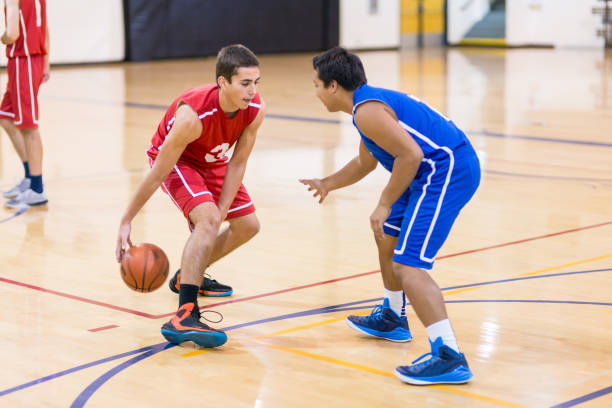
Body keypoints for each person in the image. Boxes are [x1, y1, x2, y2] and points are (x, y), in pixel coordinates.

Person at [300, 47, 480, 385]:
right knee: (387, 234)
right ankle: (393, 316)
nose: (316, 93)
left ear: (334, 86)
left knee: (409, 265)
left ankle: (449, 356)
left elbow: (410, 155)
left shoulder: (368, 111)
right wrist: (327, 183)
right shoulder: (366, 107)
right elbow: (364, 163)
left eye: (317, 85)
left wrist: (383, 203)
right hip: (428, 171)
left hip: (446, 171)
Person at [115, 44, 265, 348]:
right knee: (208, 221)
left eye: (256, 82)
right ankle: (184, 314)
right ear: (223, 83)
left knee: (248, 225)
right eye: (245, 83)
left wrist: (224, 207)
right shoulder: (192, 118)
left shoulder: (255, 110)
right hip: (178, 160)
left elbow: (237, 161)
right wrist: (126, 220)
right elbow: (157, 173)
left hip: (214, 159)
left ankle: (188, 274)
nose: (252, 91)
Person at [1, 0, 49, 208]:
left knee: (29, 127)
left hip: (24, 60)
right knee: (5, 117)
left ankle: (37, 189)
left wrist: (3, 38)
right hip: (31, 60)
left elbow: (12, 34)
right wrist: (46, 62)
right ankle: (31, 177)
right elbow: (45, 27)